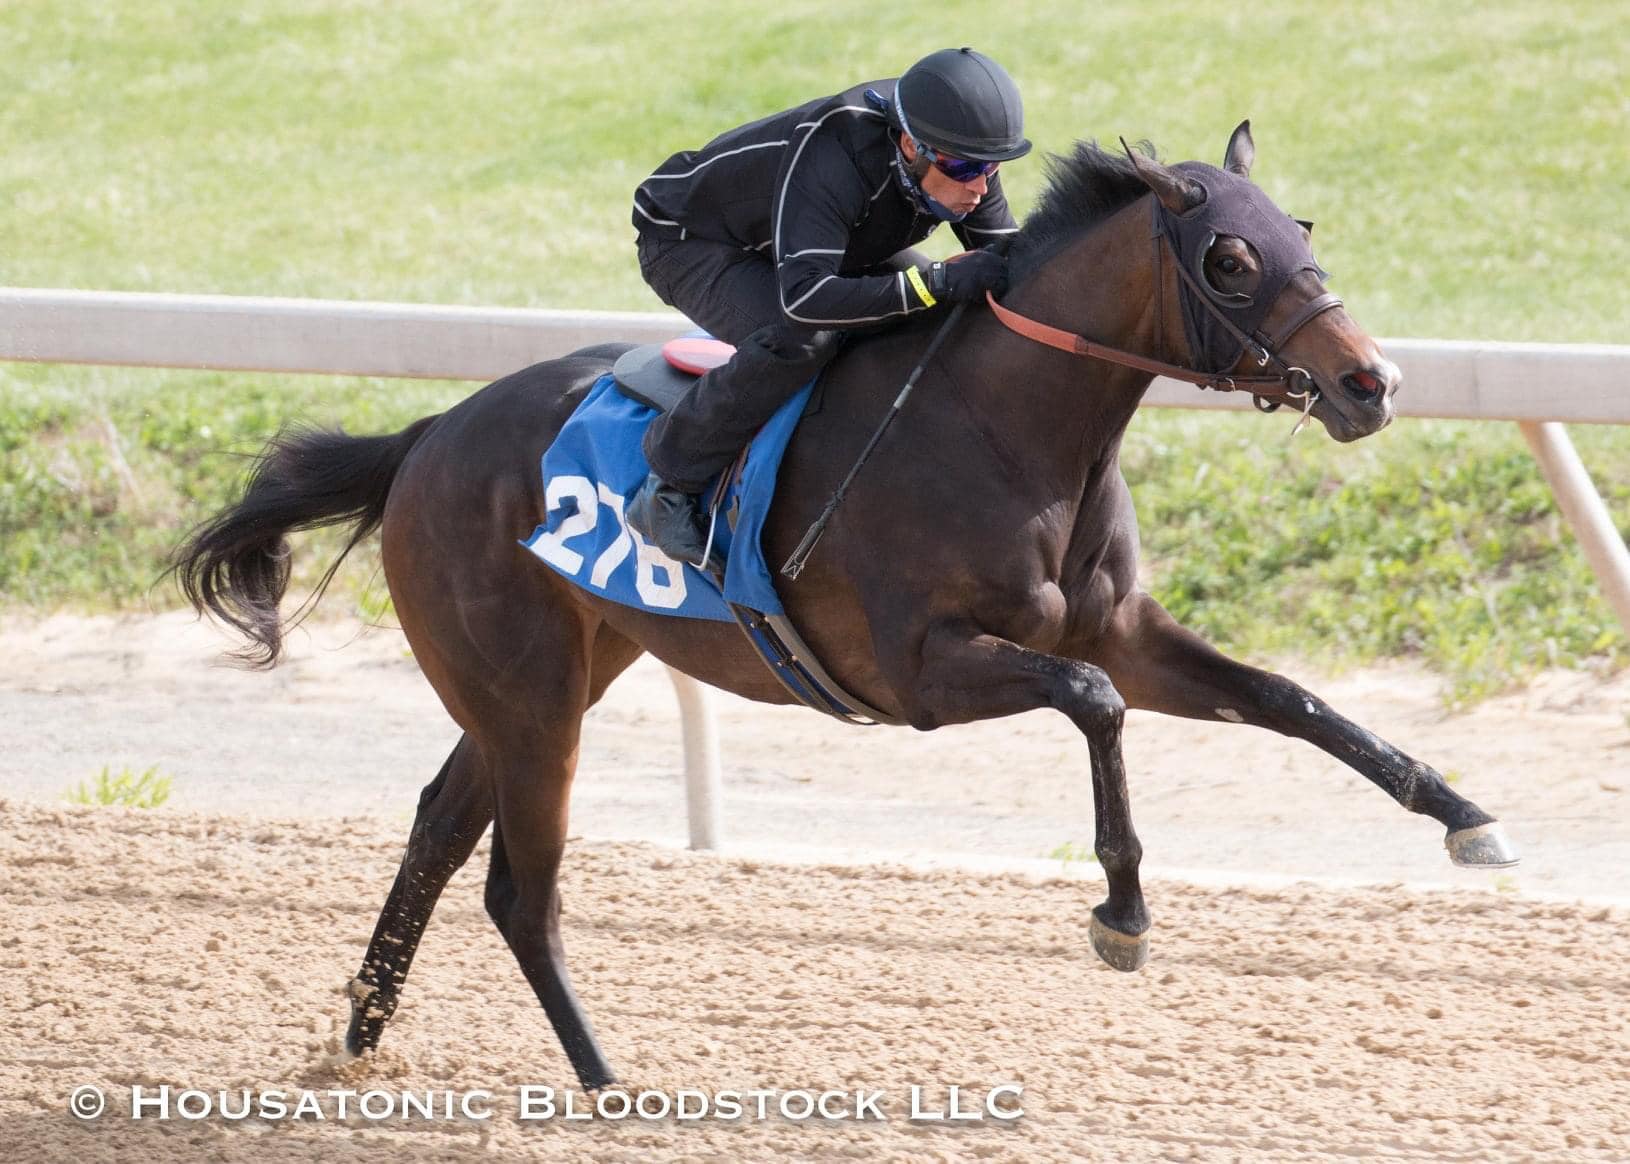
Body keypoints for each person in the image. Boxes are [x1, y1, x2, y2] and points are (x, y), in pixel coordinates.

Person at [626, 47, 1032, 568]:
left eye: (992, 168)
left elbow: (1009, 261)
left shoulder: (959, 147)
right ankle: (667, 482)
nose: (978, 186)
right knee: (806, 339)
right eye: (963, 168)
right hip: (691, 243)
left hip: (824, 242)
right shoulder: (836, 151)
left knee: (935, 311)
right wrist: (935, 281)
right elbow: (806, 301)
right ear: (911, 145)